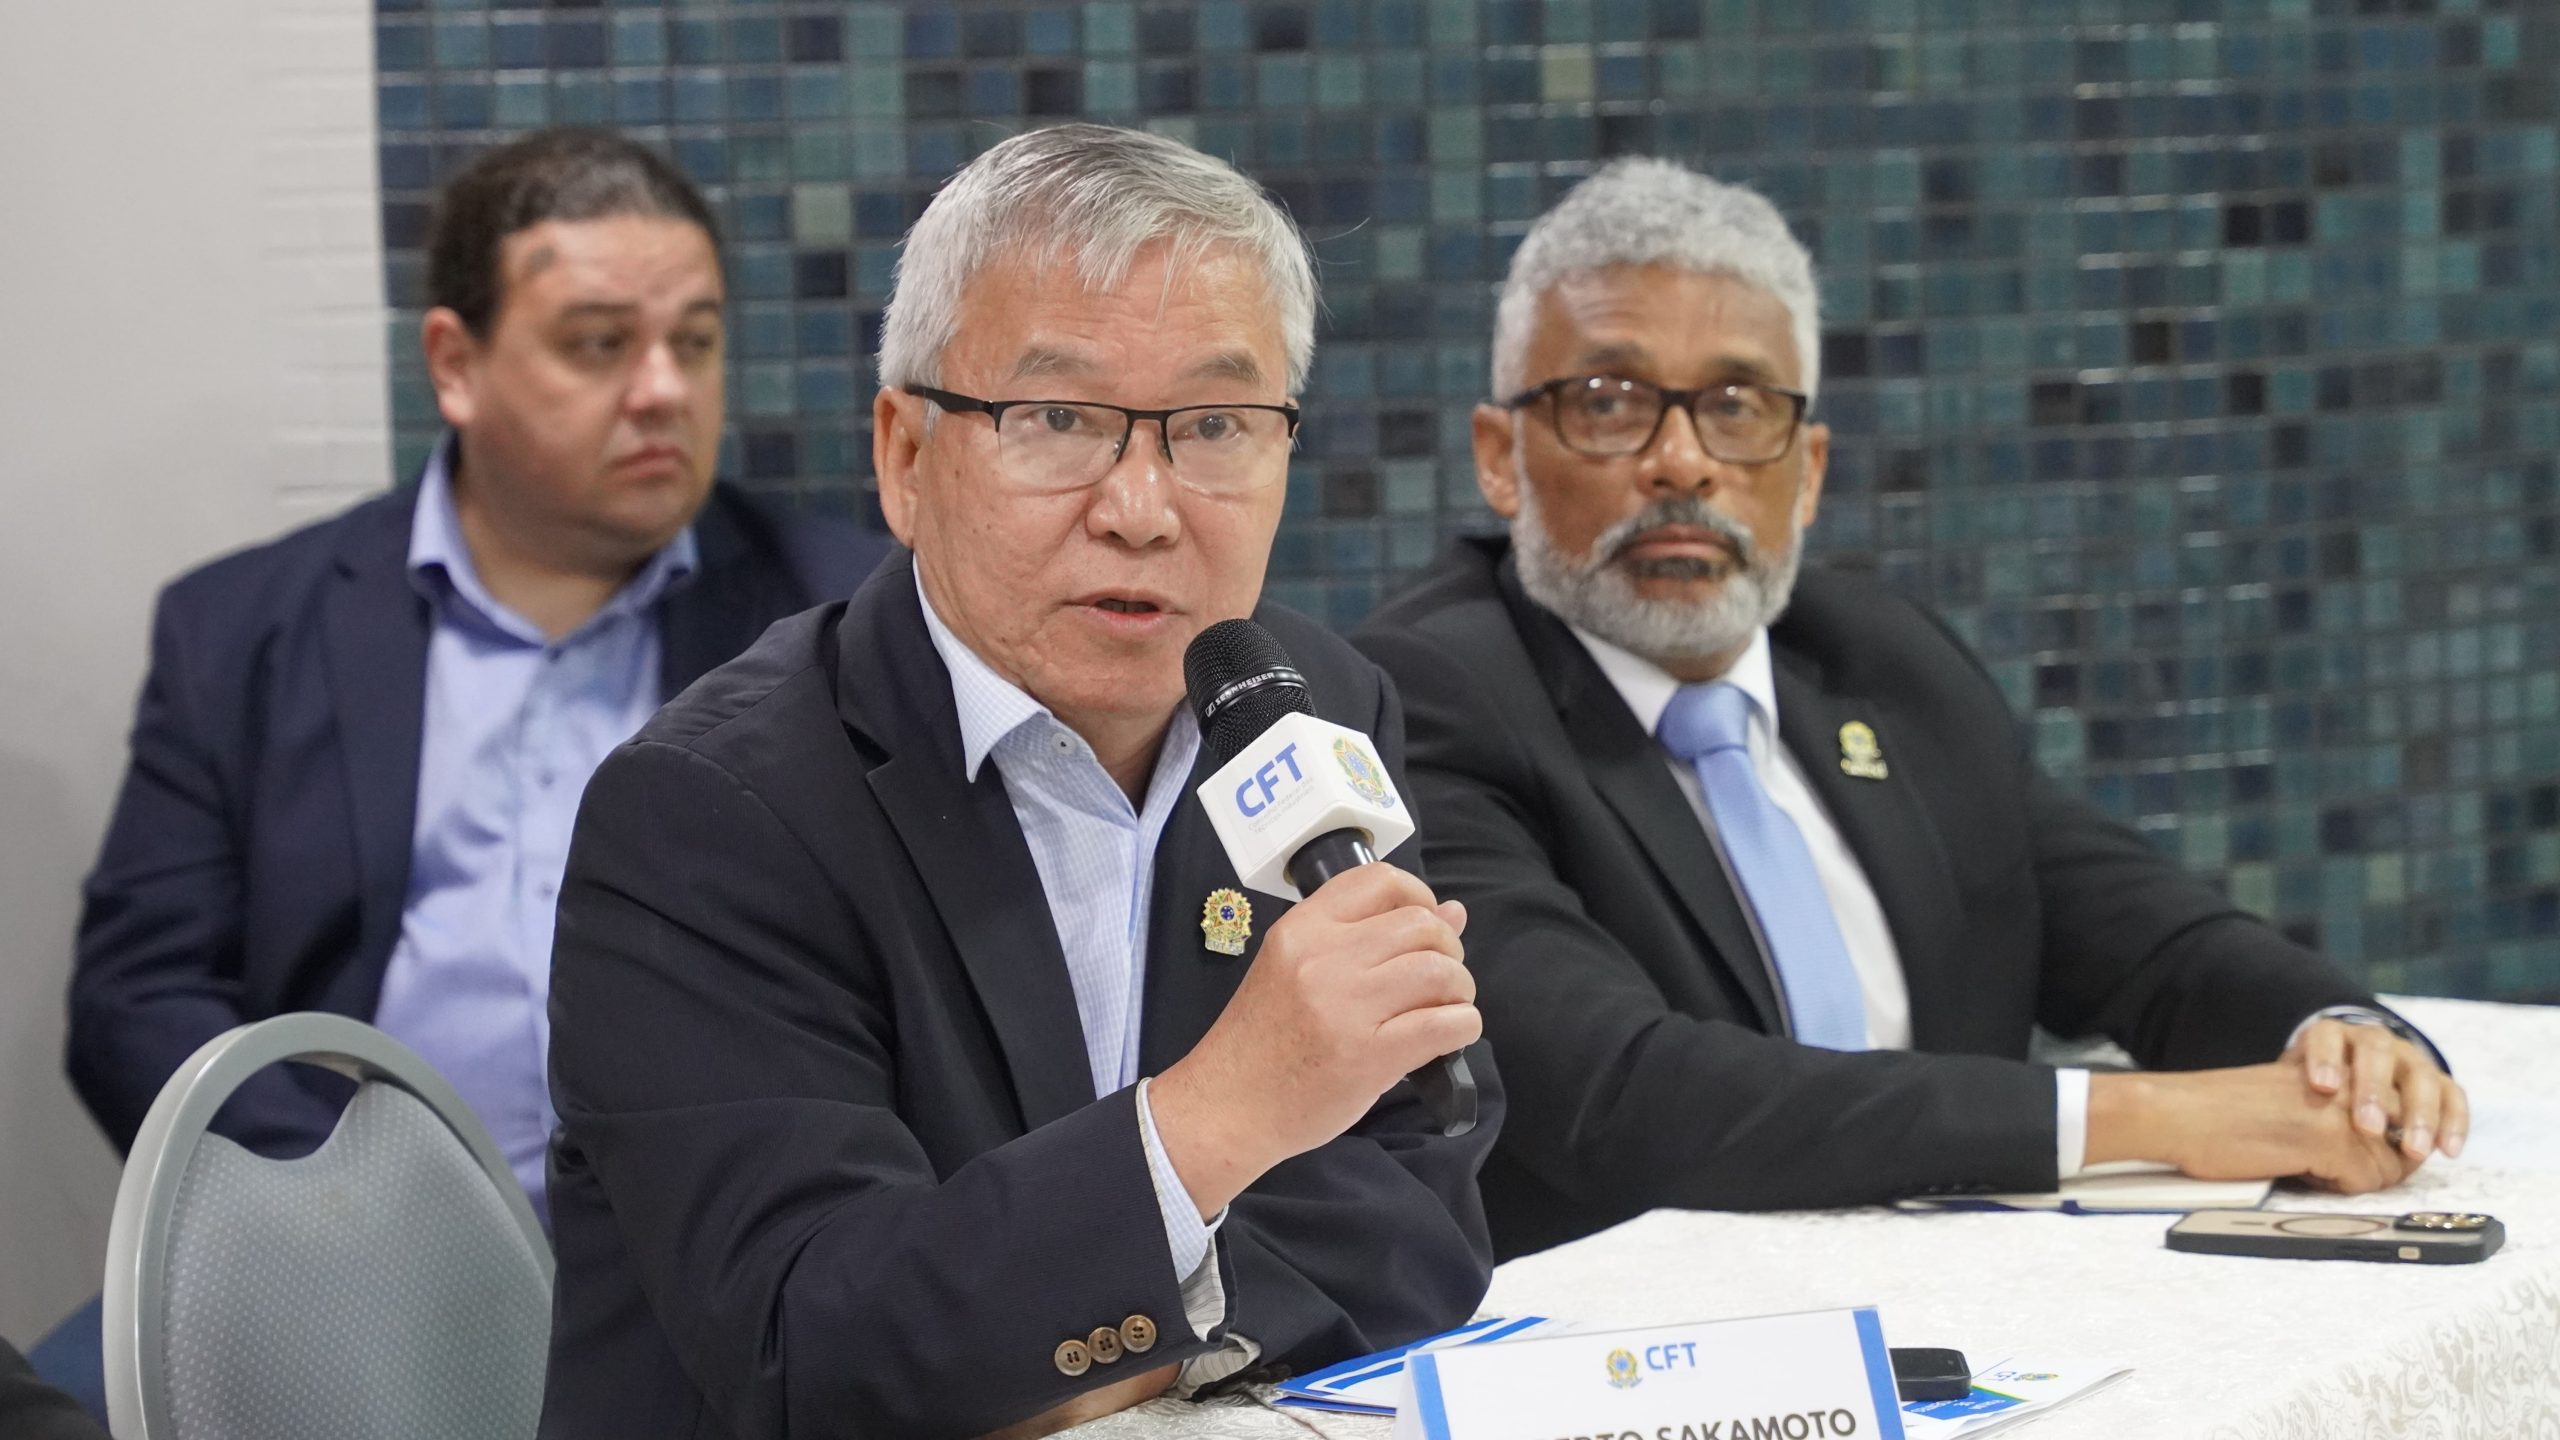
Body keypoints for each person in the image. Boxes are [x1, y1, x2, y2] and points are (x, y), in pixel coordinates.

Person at [537, 124, 1500, 1440]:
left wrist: (1106, 1338)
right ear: (905, 456)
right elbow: (819, 1348)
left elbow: (1423, 1194)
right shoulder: (708, 814)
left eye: (1216, 426)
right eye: (1058, 420)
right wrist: (1214, 1121)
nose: (1142, 508)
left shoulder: (1309, 710)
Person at [1354, 157, 2466, 1261]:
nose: (1681, 463)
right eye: (1609, 404)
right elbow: (1624, 1098)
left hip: (1974, 1300)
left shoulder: (1881, 662)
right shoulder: (1423, 702)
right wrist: (2145, 1117)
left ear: (1809, 471)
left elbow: (2150, 941)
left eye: (1737, 407)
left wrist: (2338, 1040)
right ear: (1501, 458)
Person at [44, 127, 887, 1412]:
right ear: (455, 363)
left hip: (719, 1276)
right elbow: (137, 996)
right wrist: (332, 1219)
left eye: (696, 340)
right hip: (341, 1280)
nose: (663, 390)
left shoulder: (846, 619)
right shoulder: (249, 631)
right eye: (598, 344)